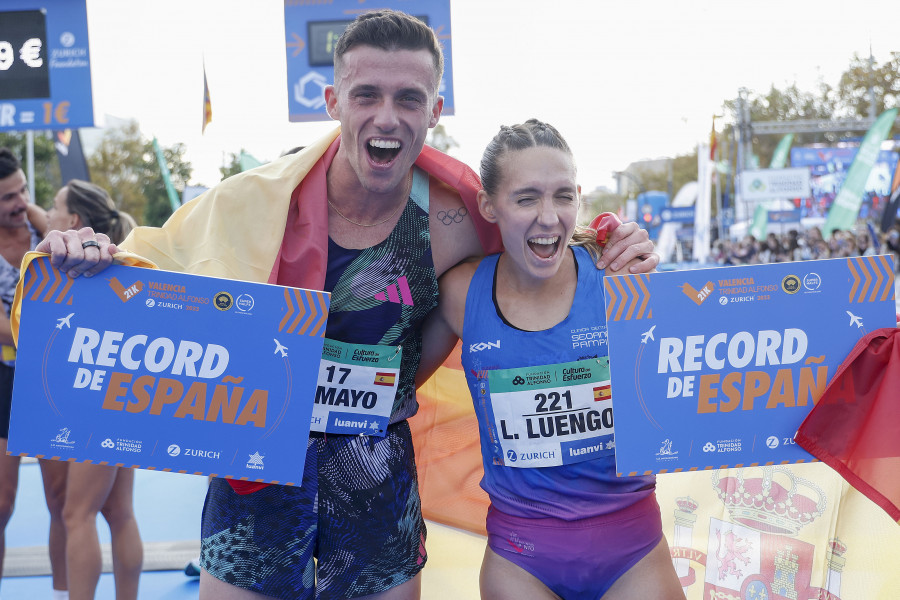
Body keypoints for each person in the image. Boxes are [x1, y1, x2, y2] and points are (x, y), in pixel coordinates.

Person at [31, 11, 659, 599]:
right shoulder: (252, 203)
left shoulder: (458, 219)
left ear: (434, 110)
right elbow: (153, 264)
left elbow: (543, 242)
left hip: (376, 481)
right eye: (367, 95)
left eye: (408, 99)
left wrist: (611, 242)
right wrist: (83, 256)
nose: (387, 116)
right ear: (332, 103)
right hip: (255, 481)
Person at [419, 120, 684, 599]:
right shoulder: (460, 294)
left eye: (563, 196)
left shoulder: (621, 278)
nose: (548, 217)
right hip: (522, 561)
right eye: (526, 198)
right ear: (488, 205)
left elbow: (694, 378)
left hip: (633, 552)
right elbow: (391, 387)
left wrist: (657, 291)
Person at [30, 180, 143, 600]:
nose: (48, 213)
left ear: (73, 220)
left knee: (77, 514)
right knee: (119, 513)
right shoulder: (125, 263)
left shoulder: (66, 272)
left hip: (85, 397)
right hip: (120, 396)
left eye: (54, 207)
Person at [0, 148, 69, 600]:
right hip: (5, 383)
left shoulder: (41, 230)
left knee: (62, 501)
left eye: (23, 189)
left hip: (47, 379)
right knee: (1, 504)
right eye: (8, 195)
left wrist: (47, 224)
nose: (20, 201)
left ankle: (64, 591)